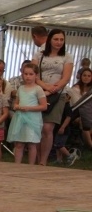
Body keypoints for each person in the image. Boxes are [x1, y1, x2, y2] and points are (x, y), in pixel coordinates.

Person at [33, 28, 73, 166]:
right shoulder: (39, 54)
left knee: (47, 128)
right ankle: (36, 158)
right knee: (37, 127)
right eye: (56, 39)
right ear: (50, 39)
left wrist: (51, 90)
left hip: (58, 95)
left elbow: (66, 78)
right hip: (39, 93)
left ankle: (43, 161)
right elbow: (33, 74)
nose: (59, 42)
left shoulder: (67, 56)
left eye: (62, 40)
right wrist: (45, 87)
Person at [7, 63, 47, 164]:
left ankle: (31, 166)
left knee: (31, 144)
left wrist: (28, 108)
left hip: (32, 119)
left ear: (36, 75)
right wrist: (16, 106)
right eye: (26, 74)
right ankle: (17, 165)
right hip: (20, 118)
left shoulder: (38, 89)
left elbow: (44, 106)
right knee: (19, 143)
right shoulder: (20, 88)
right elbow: (16, 102)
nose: (28, 76)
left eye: (31, 74)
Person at [69, 67, 92, 150]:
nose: (86, 77)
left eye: (89, 76)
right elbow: (76, 104)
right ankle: (90, 146)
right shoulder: (75, 88)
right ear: (80, 76)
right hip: (77, 114)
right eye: (84, 75)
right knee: (84, 121)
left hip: (89, 113)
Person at [52, 96, 77, 166]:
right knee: (56, 144)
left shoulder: (67, 107)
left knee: (59, 144)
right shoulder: (60, 106)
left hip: (64, 129)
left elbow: (68, 118)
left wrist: (63, 127)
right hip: (58, 127)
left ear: (69, 98)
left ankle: (70, 156)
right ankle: (59, 159)